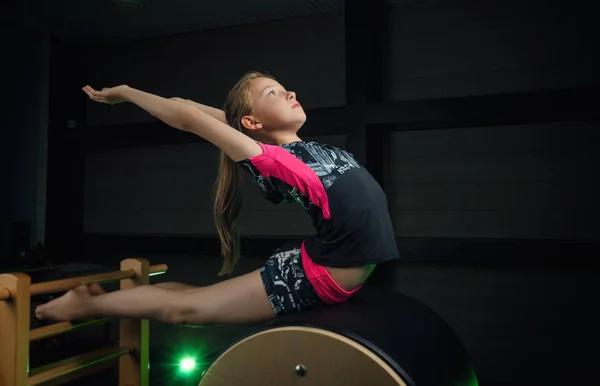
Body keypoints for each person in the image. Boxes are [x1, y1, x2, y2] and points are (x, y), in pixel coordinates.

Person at [35, 71, 400, 326]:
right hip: (318, 276)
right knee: (186, 310)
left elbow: (198, 110)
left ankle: (106, 299)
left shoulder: (309, 150)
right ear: (253, 124)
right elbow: (189, 117)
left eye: (284, 88)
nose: (289, 93)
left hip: (325, 261)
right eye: (273, 92)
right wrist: (127, 92)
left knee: (194, 302)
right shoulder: (274, 160)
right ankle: (88, 304)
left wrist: (195, 106)